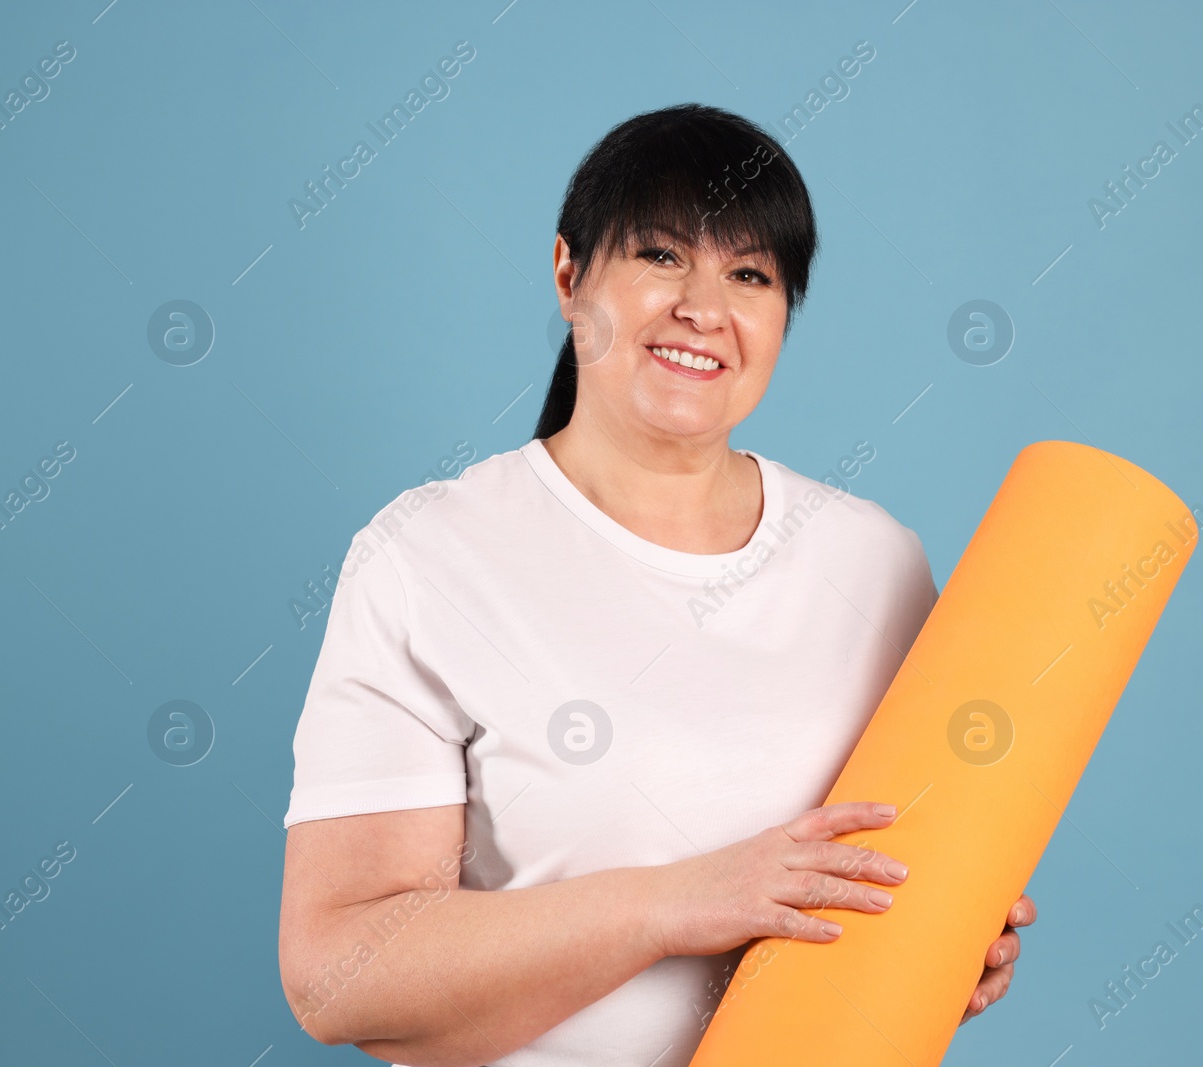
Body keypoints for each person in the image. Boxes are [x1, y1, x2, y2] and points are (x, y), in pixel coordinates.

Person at [276, 102, 1035, 1066]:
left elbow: (885, 883)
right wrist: (680, 900)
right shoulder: (428, 557)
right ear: (568, 273)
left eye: (750, 274)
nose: (704, 309)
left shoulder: (875, 561)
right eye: (662, 256)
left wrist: (935, 947)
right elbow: (339, 974)